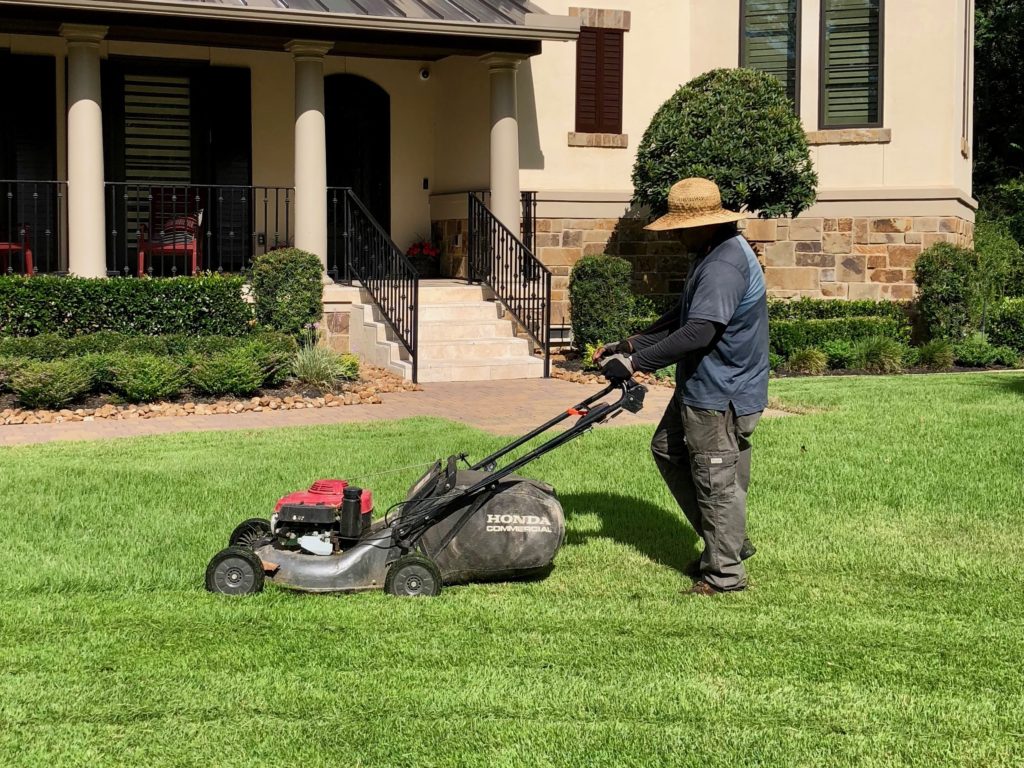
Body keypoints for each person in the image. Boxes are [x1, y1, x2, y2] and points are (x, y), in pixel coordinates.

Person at [595, 178, 769, 596]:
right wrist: (630, 344)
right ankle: (728, 541)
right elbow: (683, 315)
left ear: (702, 224)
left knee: (714, 479)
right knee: (669, 450)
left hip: (721, 392)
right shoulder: (711, 252)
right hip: (704, 386)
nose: (675, 237)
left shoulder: (724, 264)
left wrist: (635, 364)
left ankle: (724, 574)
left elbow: (699, 332)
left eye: (680, 228)